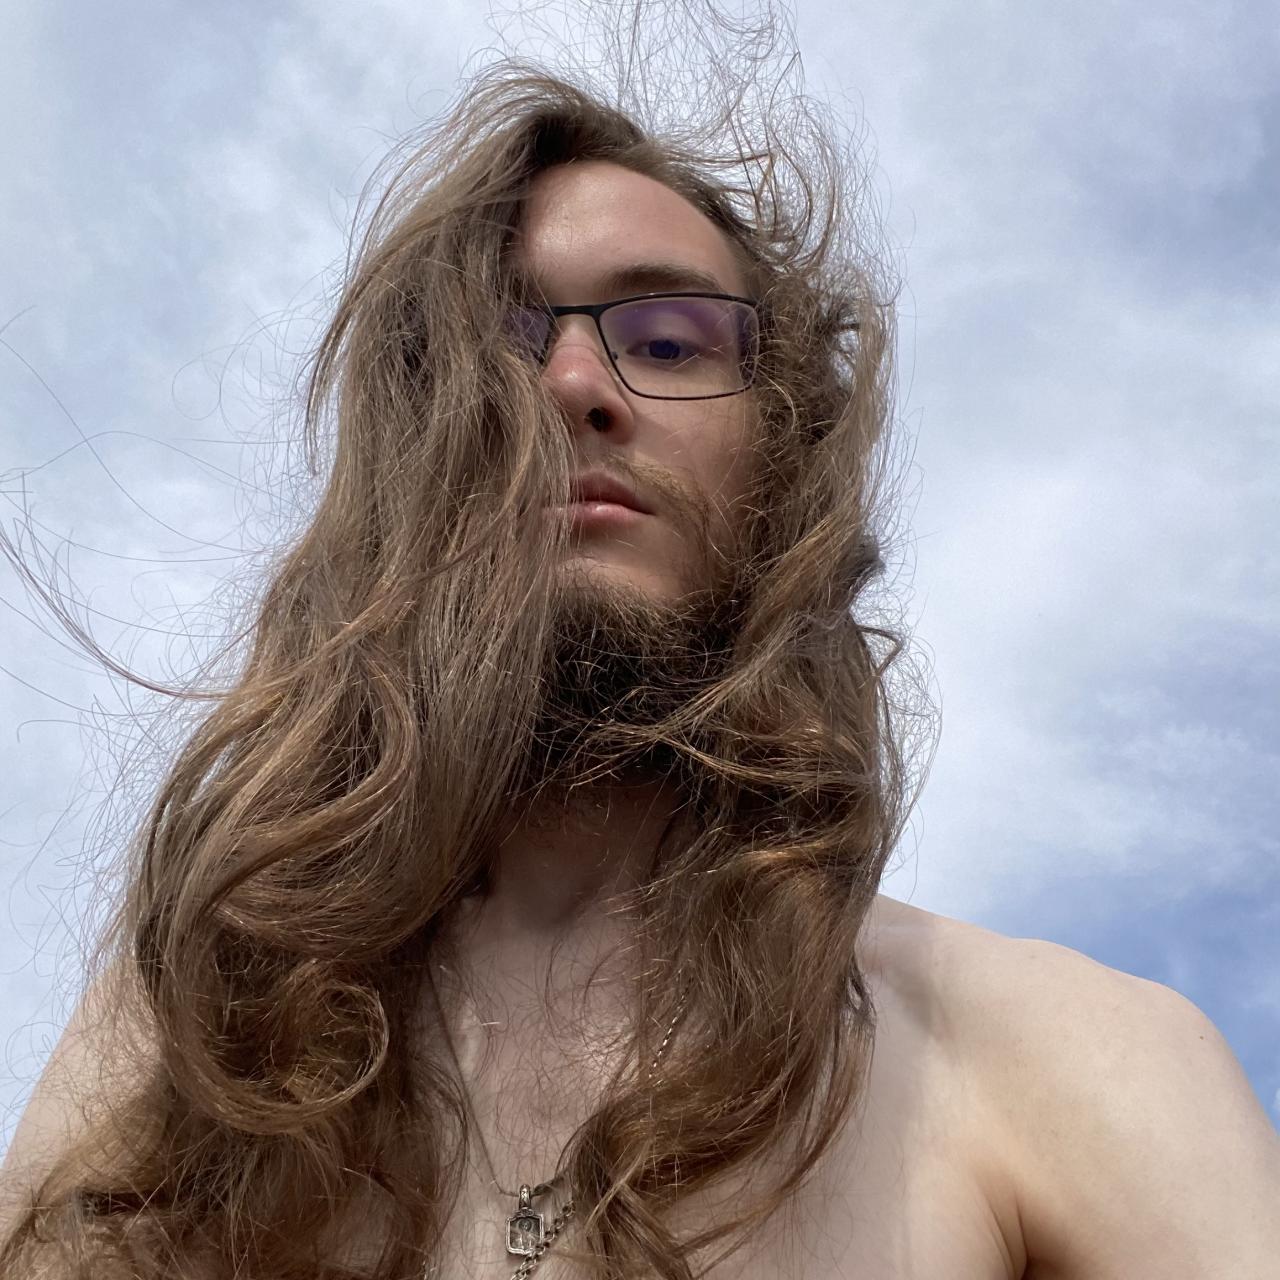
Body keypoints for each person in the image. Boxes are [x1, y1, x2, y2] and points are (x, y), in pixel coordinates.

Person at [2, 58, 1278, 1280]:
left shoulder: (1058, 1060)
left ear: (781, 452)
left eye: (668, 341)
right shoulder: (186, 1056)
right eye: (498, 346)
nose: (571, 383)